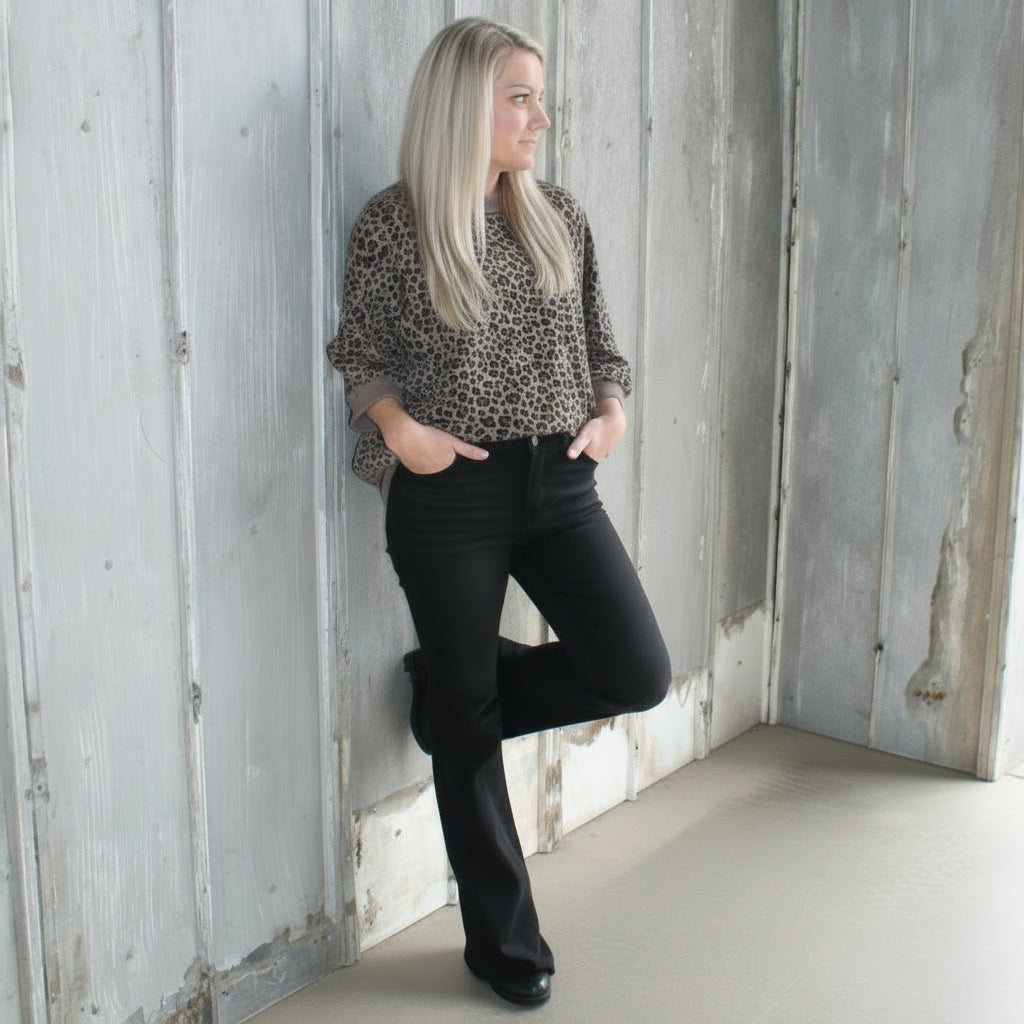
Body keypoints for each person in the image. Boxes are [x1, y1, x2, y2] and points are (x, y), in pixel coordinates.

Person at [328, 17, 670, 1008]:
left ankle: (449, 695)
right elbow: (362, 356)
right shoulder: (394, 224)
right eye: (520, 97)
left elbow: (602, 344)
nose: (540, 117)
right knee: (470, 731)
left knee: (634, 670)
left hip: (560, 486)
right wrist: (404, 435)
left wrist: (611, 412)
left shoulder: (556, 213)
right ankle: (503, 945)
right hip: (450, 496)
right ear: (461, 106)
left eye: (538, 96)